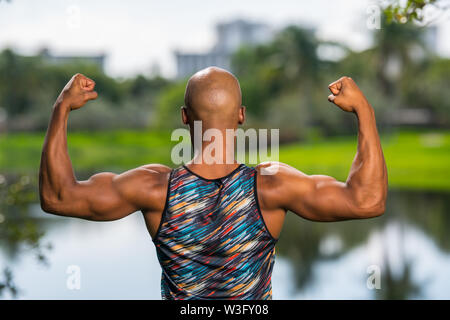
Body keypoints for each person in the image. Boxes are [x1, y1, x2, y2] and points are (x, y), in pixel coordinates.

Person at [39, 67, 388, 300]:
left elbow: (58, 197)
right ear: (241, 115)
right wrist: (365, 112)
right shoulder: (272, 185)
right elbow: (367, 200)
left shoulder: (154, 188)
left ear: (185, 117)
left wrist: (61, 108)